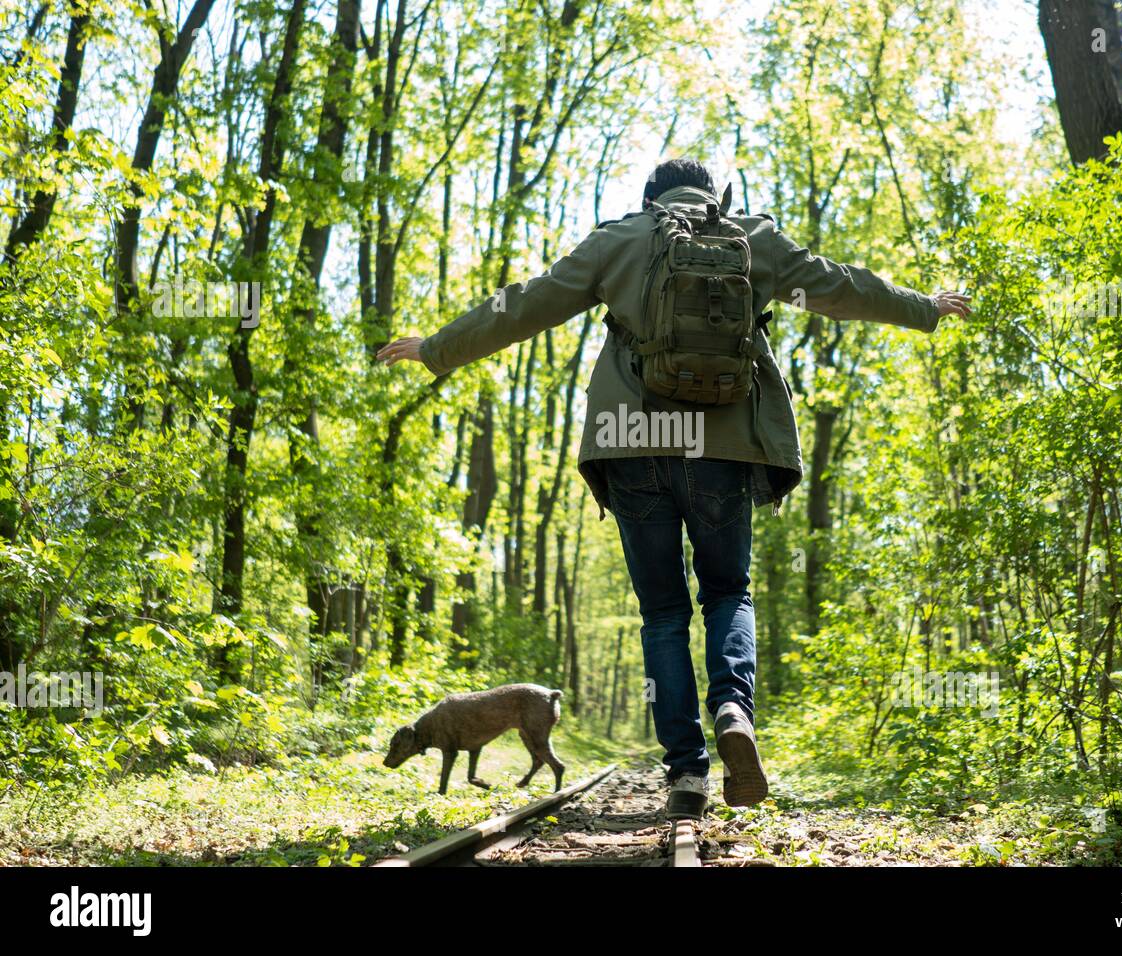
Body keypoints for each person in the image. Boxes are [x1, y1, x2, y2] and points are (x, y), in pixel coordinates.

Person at [378, 158, 971, 820]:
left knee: (662, 614)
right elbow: (838, 287)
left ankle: (686, 773)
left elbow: (525, 303)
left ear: (649, 196)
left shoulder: (619, 239)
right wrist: (923, 306)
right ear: (713, 196)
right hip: (724, 447)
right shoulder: (752, 237)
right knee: (727, 591)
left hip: (630, 443)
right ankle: (733, 709)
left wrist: (436, 348)